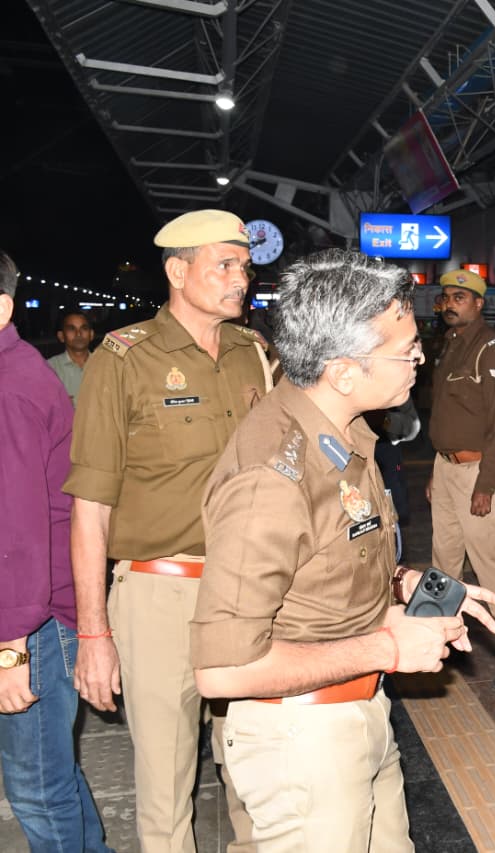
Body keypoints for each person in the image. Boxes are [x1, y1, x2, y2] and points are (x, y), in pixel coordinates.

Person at [191, 249, 495, 850]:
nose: (419, 358)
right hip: (301, 739)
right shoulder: (272, 476)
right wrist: (389, 644)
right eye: (405, 349)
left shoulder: (343, 433)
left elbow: (325, 555)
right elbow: (222, 669)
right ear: (343, 370)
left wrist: (407, 587)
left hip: (355, 711)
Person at [65, 209, 270, 853]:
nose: (241, 279)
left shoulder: (253, 355)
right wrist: (94, 633)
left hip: (248, 595)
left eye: (244, 266)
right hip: (159, 597)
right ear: (178, 272)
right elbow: (90, 507)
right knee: (165, 789)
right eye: (225, 265)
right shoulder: (123, 360)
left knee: (257, 777)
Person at [0, 251, 112, 852]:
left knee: (37, 785)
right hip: (31, 612)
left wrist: (10, 648)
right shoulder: (16, 371)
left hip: (29, 622)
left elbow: (15, 527)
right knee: (52, 775)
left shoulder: (10, 386)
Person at [428, 269, 495, 691]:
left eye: (459, 297)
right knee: (444, 561)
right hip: (446, 466)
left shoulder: (493, 348)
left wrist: (486, 484)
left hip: (476, 470)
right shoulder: (449, 346)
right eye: (446, 297)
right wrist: (437, 468)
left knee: (487, 563)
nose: (449, 304)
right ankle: (433, 636)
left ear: (477, 303)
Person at [46, 309, 94, 405]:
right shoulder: (49, 368)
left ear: (91, 334)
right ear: (61, 336)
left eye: (84, 328)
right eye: (71, 329)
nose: (78, 334)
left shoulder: (105, 365)